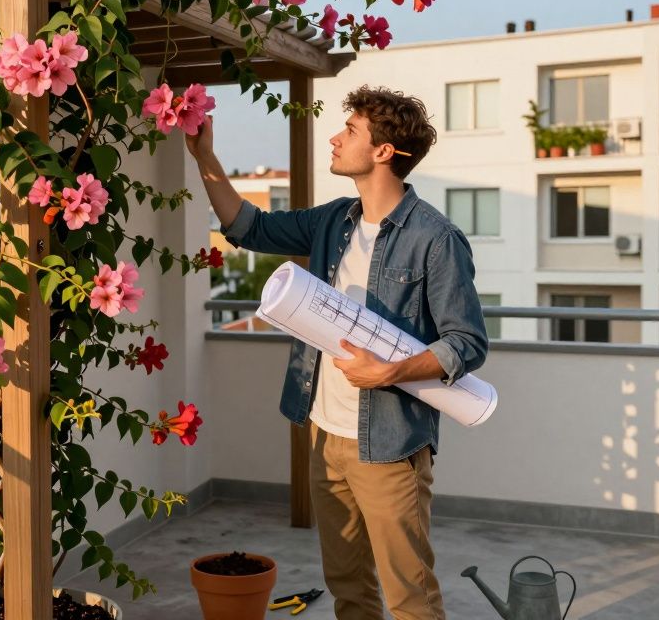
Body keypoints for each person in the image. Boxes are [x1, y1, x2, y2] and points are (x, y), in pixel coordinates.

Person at [185, 85, 488, 620]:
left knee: (410, 597)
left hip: (389, 446)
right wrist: (204, 156)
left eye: (349, 130)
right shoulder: (334, 220)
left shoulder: (436, 238)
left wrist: (390, 371)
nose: (335, 137)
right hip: (324, 434)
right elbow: (247, 226)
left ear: (383, 152)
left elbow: (467, 342)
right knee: (349, 589)